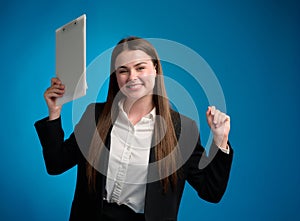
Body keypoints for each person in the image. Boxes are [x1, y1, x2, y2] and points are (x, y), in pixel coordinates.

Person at [34, 36, 233, 221]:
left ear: (155, 69)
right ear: (116, 76)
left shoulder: (183, 129)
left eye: (140, 68)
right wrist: (54, 113)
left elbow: (211, 192)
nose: (132, 77)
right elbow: (56, 164)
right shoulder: (95, 116)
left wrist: (220, 140)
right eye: (123, 70)